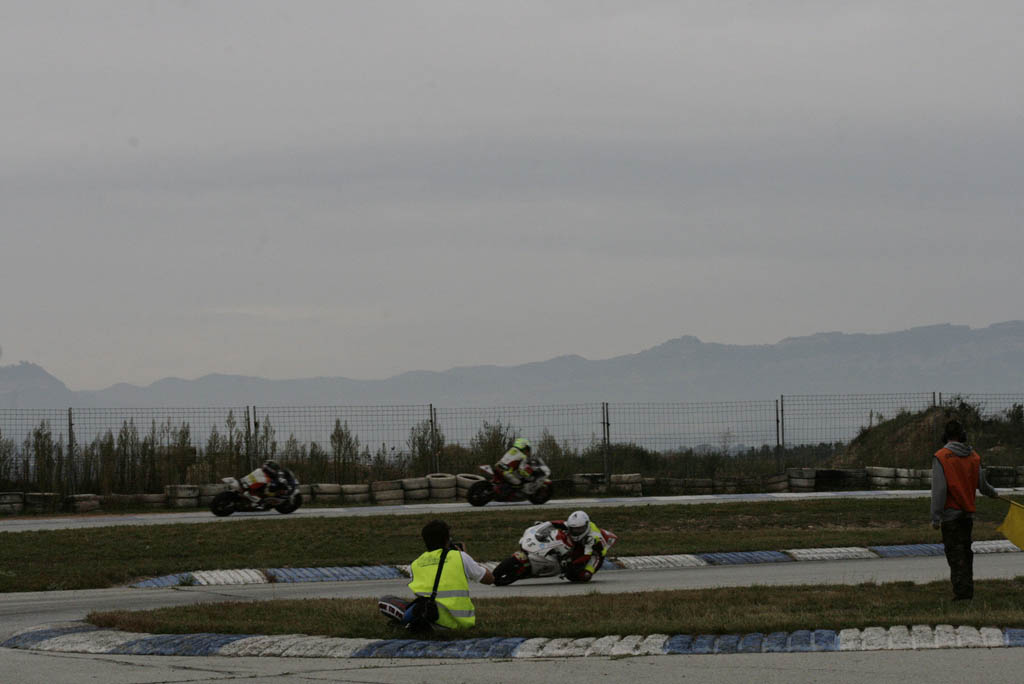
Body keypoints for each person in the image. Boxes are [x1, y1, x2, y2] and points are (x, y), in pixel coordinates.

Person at [931, 418, 1002, 600]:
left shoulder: (941, 457)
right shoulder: (974, 457)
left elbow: (939, 490)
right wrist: (994, 493)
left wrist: (935, 517)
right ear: (963, 436)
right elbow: (982, 485)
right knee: (966, 553)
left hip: (950, 516)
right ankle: (967, 590)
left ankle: (962, 594)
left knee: (955, 556)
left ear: (945, 436)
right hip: (967, 516)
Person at [379, 519, 494, 630]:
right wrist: (467, 557)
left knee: (390, 601)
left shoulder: (416, 564)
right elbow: (490, 579)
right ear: (447, 540)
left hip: (431, 617)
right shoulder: (460, 557)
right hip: (461, 624)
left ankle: (405, 621)